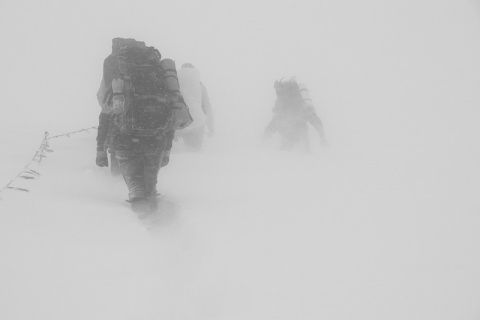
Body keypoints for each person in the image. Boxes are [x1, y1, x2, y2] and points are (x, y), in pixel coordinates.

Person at [96, 38, 191, 216]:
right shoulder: (159, 79)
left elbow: (107, 113)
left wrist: (101, 148)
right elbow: (170, 113)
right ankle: (160, 225)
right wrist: (167, 149)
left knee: (137, 190)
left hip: (125, 139)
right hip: (156, 138)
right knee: (150, 187)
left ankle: (143, 229)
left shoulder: (119, 80)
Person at [264, 78, 328, 151]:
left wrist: (262, 142)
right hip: (301, 137)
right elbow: (316, 121)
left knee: (284, 158)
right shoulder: (300, 105)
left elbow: (271, 126)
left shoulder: (283, 107)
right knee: (305, 158)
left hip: (289, 138)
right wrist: (322, 137)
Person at [174, 63, 214, 150]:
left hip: (180, 122)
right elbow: (207, 107)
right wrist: (211, 128)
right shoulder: (200, 86)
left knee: (178, 152)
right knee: (193, 152)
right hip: (197, 122)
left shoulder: (175, 85)